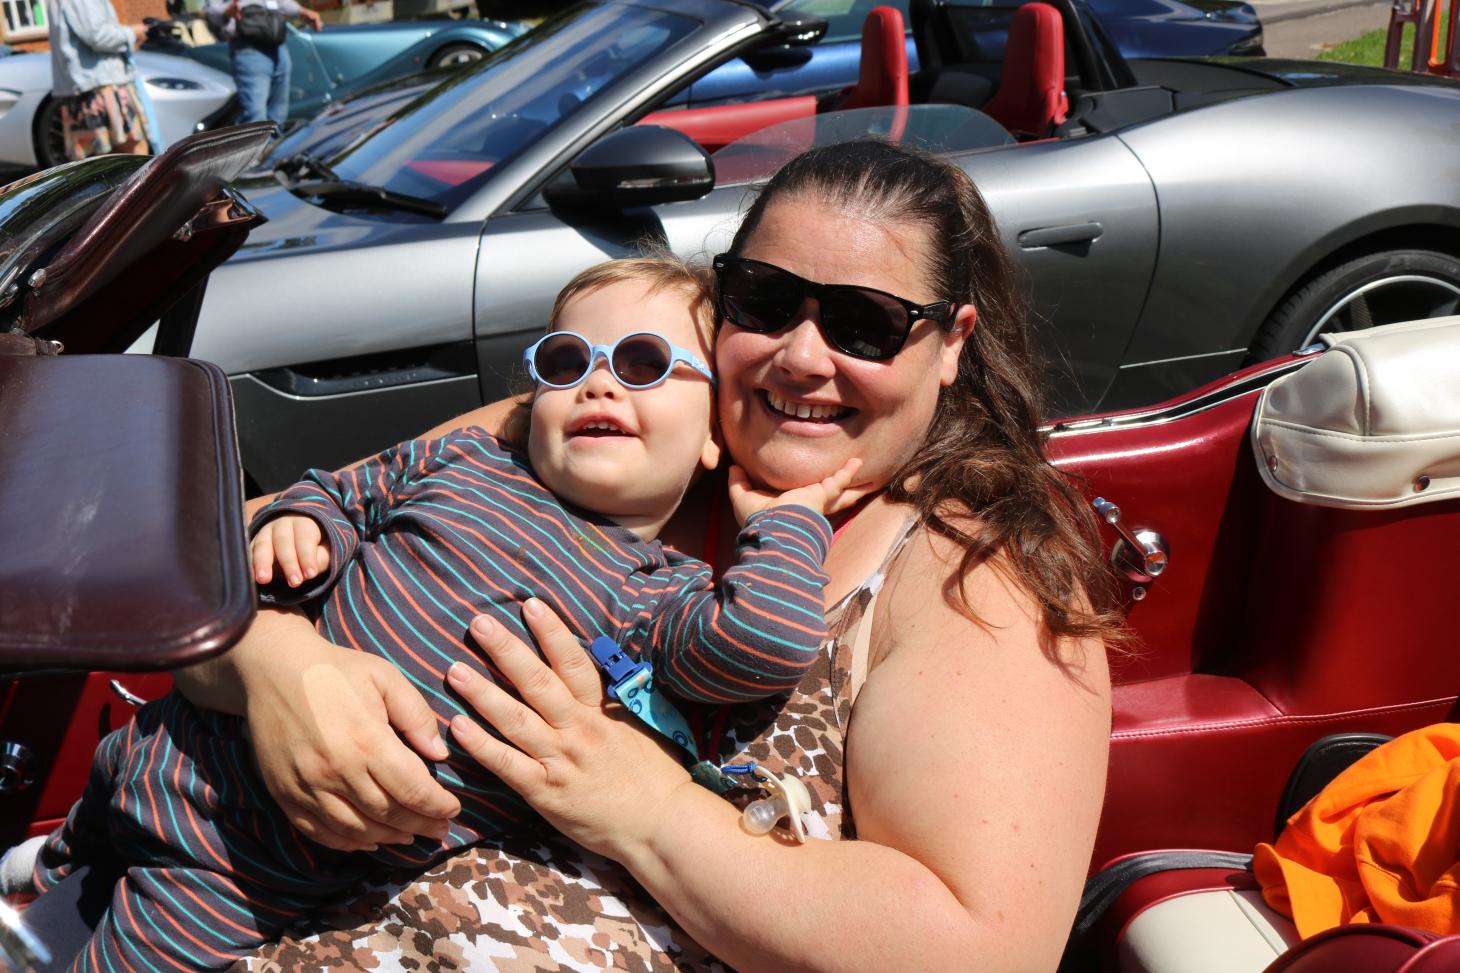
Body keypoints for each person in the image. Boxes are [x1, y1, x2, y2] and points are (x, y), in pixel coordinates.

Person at [175, 139, 1120, 971]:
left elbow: (981, 950)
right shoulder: (604, 422)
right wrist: (274, 664)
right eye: (766, 298)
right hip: (230, 907)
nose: (800, 354)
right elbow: (200, 561)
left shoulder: (969, 568)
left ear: (951, 343)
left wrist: (646, 807)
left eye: (862, 323)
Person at [25, 257, 861, 971]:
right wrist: (303, 524)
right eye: (565, 360)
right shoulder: (463, 456)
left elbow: (763, 639)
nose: (598, 379)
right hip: (178, 736)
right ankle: (49, 879)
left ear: (714, 435)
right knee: (74, 851)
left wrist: (788, 518)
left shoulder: (654, 592)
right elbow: (344, 487)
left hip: (257, 858)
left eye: (644, 362)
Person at [46, 0, 153, 160]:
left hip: (88, 90)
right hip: (102, 90)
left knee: (105, 168)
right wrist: (135, 32)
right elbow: (98, 36)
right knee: (134, 160)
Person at [204, 0, 321, 126]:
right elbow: (212, 11)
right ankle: (253, 146)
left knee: (278, 115)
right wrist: (227, 11)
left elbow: (280, 3)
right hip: (249, 48)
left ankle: (274, 145)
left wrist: (301, 12)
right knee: (255, 117)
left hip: (277, 46)